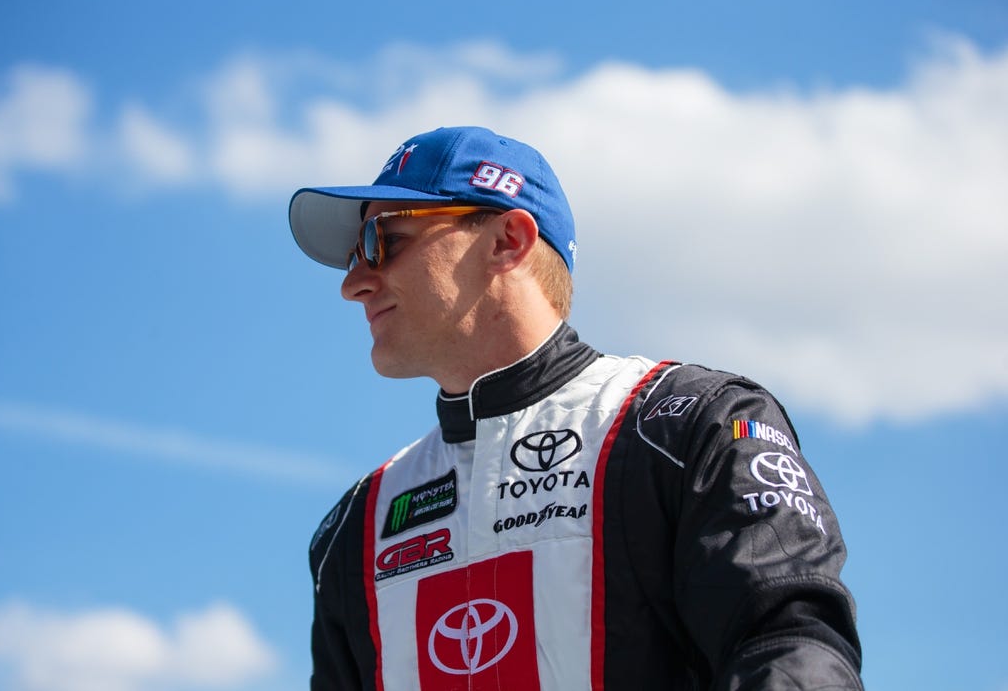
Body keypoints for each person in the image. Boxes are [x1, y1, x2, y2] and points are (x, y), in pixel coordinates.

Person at [289, 126, 863, 690]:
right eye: (352, 254)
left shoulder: (687, 426)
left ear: (507, 241)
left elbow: (791, 649)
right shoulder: (358, 526)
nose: (354, 282)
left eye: (380, 240)